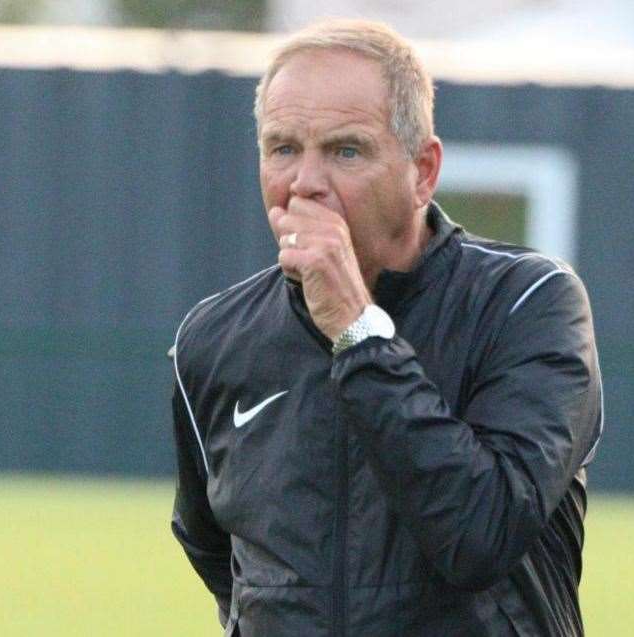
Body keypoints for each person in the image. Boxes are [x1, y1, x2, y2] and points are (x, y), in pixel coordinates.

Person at [171, 18, 602, 637]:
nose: (305, 184)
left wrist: (358, 330)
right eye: (283, 148)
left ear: (423, 171)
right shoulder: (213, 339)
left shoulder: (525, 304)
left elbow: (481, 534)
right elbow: (220, 554)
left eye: (346, 150)